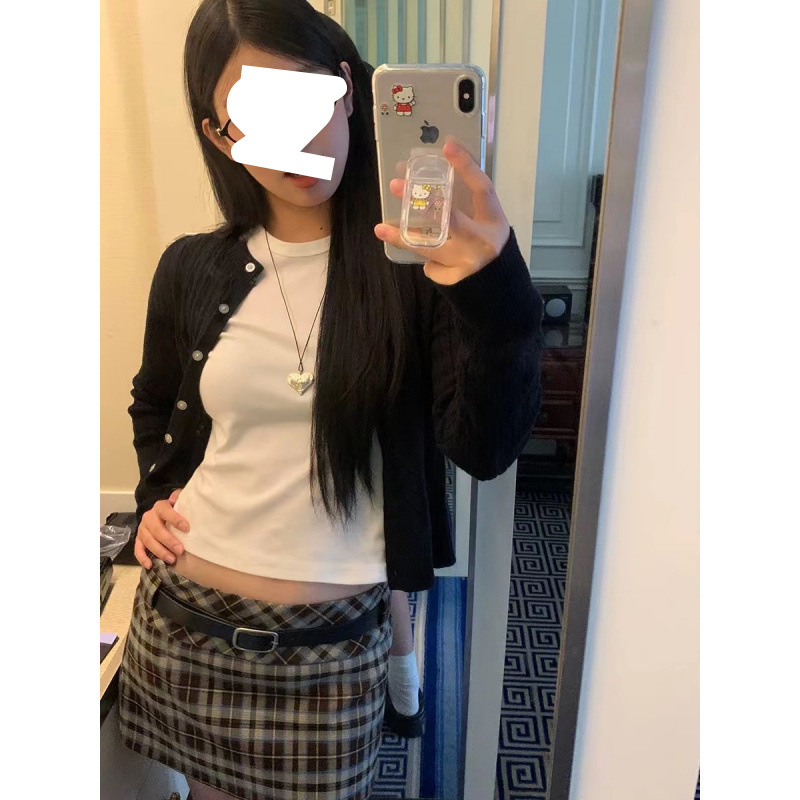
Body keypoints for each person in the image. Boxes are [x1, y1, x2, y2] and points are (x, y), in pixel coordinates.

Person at [116, 1, 544, 799]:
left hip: (333, 654)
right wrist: (151, 501)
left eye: (305, 102)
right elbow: (154, 401)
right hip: (183, 627)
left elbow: (485, 449)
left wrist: (495, 289)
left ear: (348, 92)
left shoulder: (415, 270)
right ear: (221, 137)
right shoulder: (191, 267)